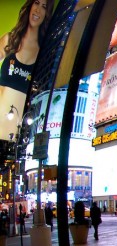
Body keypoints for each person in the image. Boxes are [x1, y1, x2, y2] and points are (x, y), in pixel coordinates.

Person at [0, 0, 54, 141]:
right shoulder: (10, 39)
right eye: (36, 3)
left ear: (47, 14)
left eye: (44, 7)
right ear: (29, 6)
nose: (38, 10)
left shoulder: (44, 55)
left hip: (19, 134)